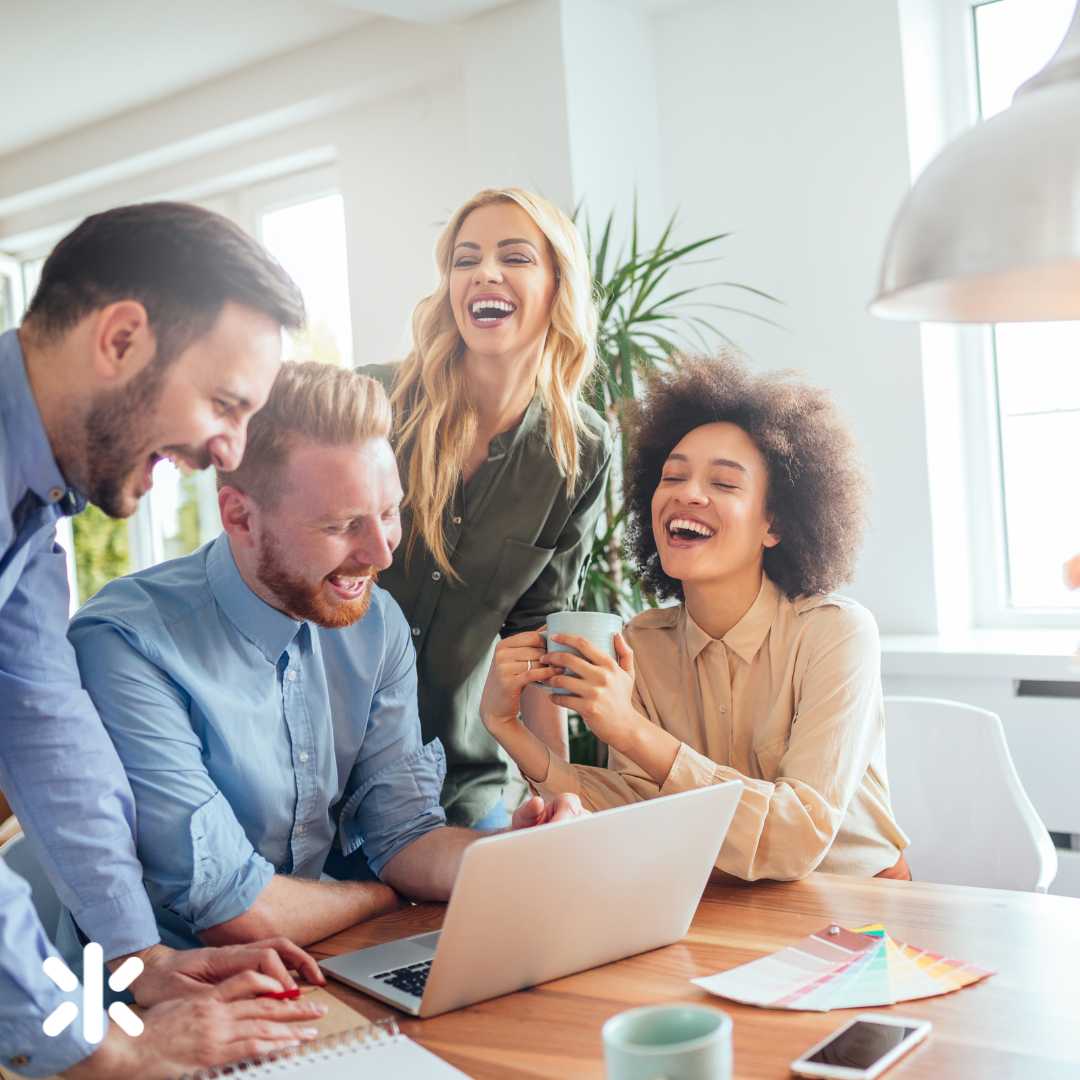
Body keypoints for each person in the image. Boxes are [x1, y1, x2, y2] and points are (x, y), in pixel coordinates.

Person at [67, 363, 584, 952]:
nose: (380, 554)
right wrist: (378, 896)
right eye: (342, 526)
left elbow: (405, 837)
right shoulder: (126, 645)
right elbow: (234, 911)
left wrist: (517, 856)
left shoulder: (374, 623)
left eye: (390, 513)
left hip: (316, 962)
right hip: (160, 1001)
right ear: (239, 516)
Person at [1, 202, 328, 1079]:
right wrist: (101, 1046)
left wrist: (137, 960)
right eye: (225, 404)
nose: (230, 453)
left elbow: (46, 729)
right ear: (120, 340)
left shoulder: (30, 507)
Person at [481, 354, 911, 881]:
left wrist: (631, 730)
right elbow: (636, 815)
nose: (687, 493)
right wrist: (508, 728)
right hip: (721, 909)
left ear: (774, 523)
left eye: (725, 484)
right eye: (672, 476)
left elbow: (796, 839)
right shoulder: (642, 643)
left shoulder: (836, 633)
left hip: (856, 904)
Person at [362, 187, 612, 828]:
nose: (485, 274)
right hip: (325, 772)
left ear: (559, 286)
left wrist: (552, 789)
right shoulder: (373, 404)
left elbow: (535, 637)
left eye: (515, 257)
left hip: (459, 789)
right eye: (465, 259)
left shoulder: (579, 449)